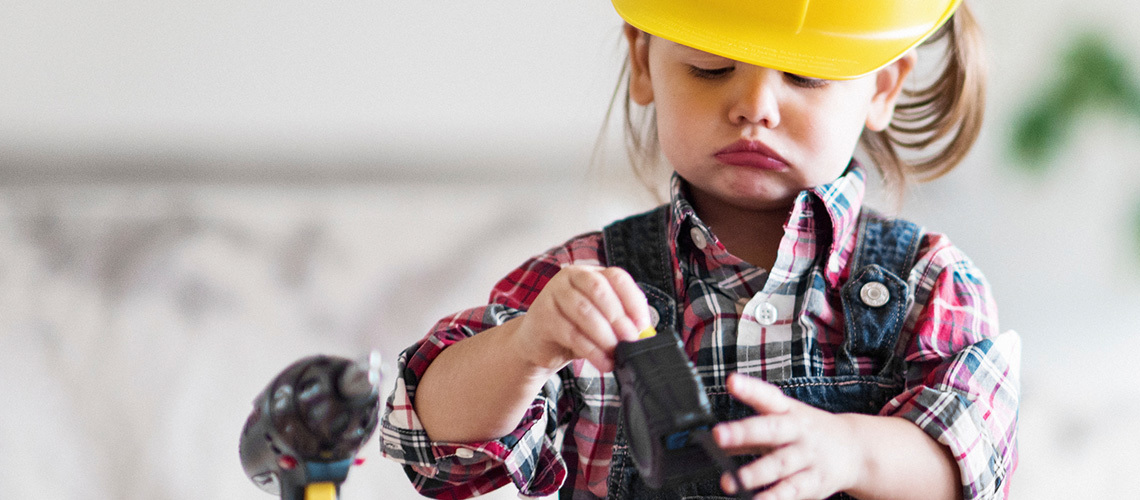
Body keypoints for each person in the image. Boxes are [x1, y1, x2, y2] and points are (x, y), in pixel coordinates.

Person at [376, 1, 1018, 499]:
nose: (755, 106)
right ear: (642, 59)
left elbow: (971, 461)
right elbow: (423, 438)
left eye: (805, 76)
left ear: (882, 87)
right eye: (710, 68)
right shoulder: (585, 284)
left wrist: (852, 450)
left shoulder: (929, 285)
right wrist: (527, 346)